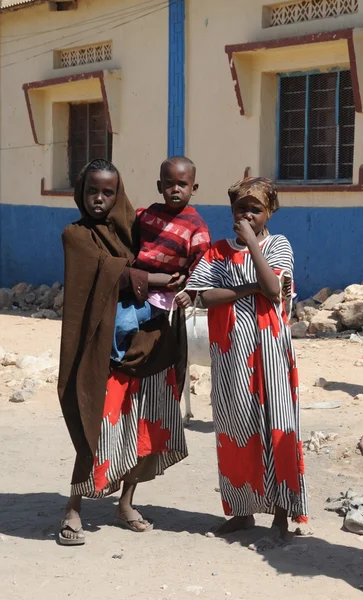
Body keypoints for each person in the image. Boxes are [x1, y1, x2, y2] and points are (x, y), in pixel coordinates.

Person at [58, 159, 188, 545]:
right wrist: (152, 278)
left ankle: (127, 501)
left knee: (143, 427)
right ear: (81, 194)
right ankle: (74, 508)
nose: (99, 199)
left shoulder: (137, 229)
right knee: (95, 426)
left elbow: (172, 251)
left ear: (119, 194)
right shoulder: (75, 234)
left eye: (107, 192)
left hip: (149, 343)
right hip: (104, 349)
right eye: (92, 191)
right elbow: (103, 272)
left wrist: (179, 275)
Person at [178, 177, 308, 549]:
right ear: (231, 210)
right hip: (231, 352)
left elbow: (272, 287)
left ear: (269, 213)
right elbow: (204, 296)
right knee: (236, 427)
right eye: (241, 208)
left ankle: (282, 512)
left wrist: (251, 243)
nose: (248, 214)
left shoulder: (278, 245)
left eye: (256, 209)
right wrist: (246, 289)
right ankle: (241, 510)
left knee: (277, 424)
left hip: (271, 350)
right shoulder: (217, 251)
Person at [111, 155, 210, 363]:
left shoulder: (196, 228)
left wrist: (190, 292)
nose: (175, 189)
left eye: (182, 184)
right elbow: (127, 229)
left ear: (194, 188)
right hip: (136, 285)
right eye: (169, 184)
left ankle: (115, 361)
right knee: (106, 317)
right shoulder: (148, 214)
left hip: (162, 295)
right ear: (159, 186)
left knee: (122, 322)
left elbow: (202, 265)